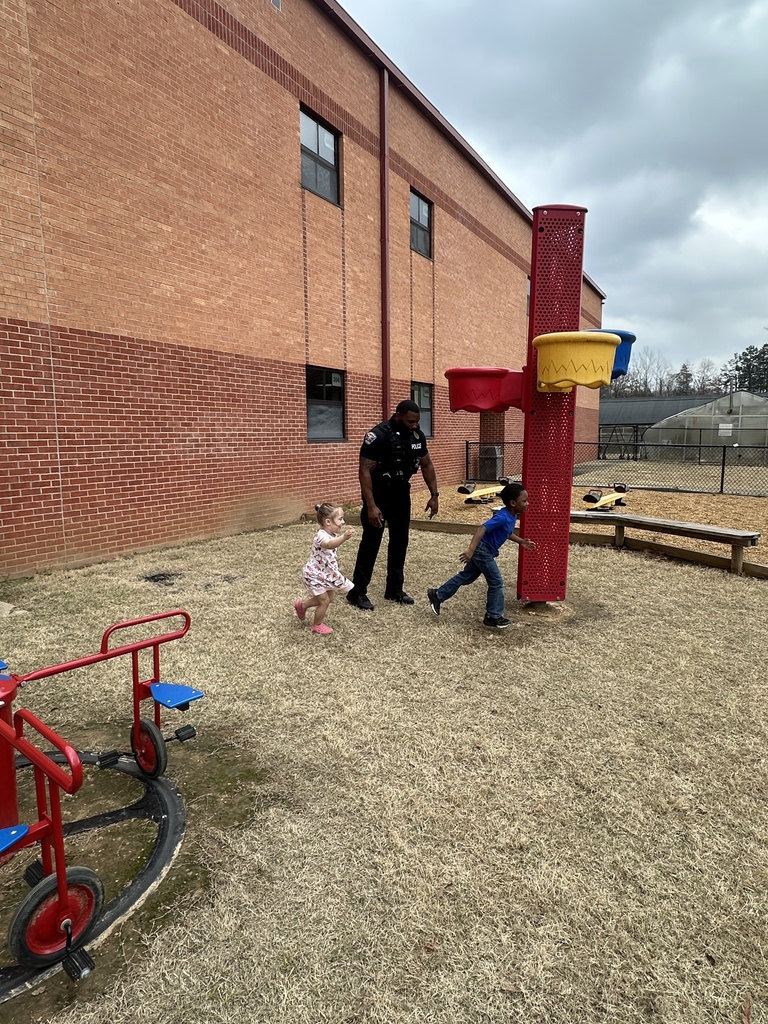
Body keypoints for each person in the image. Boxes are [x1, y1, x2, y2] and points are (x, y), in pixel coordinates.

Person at [347, 399, 439, 611]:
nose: (414, 425)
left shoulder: (417, 436)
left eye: (416, 422)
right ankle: (357, 592)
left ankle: (394, 589)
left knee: (400, 541)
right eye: (410, 421)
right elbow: (364, 471)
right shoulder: (378, 436)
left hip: (400, 494)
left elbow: (426, 464)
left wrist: (434, 494)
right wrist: (371, 505)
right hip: (378, 494)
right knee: (371, 543)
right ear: (398, 415)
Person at [427, 482, 535, 629]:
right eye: (524, 501)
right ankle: (493, 616)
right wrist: (471, 550)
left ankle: (437, 595)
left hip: (485, 551)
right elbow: (482, 528)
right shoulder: (503, 517)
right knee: (496, 582)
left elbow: (507, 532)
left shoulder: (512, 515)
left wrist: (521, 541)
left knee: (466, 577)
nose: (527, 503)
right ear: (513, 503)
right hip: (482, 550)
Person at [295, 503, 355, 635]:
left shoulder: (332, 534)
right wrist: (343, 537)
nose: (343, 522)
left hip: (324, 574)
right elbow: (328, 545)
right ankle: (317, 625)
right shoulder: (321, 535)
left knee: (329, 598)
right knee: (324, 601)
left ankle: (302, 606)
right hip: (314, 575)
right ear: (328, 522)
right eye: (340, 519)